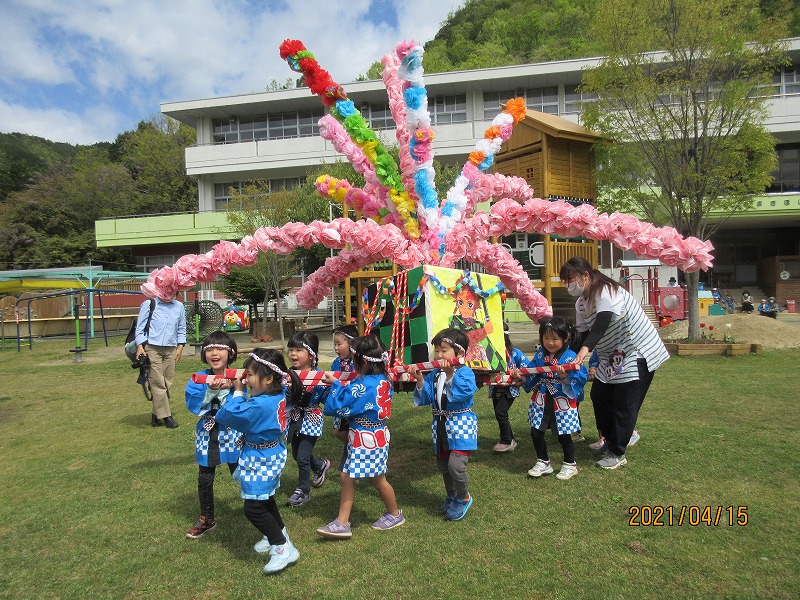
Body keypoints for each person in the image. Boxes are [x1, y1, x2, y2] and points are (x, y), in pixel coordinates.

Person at [560, 256, 670, 470]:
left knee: (624, 402)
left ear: (585, 276)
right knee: (599, 395)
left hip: (637, 351)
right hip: (612, 355)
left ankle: (618, 451)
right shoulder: (581, 303)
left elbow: (602, 322)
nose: (567, 284)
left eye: (570, 278)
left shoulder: (607, 291)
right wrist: (566, 358)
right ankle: (611, 439)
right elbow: (581, 334)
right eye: (565, 280)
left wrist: (585, 350)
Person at [214, 349, 302, 575]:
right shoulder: (276, 394)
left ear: (269, 378)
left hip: (261, 459)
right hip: (269, 453)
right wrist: (244, 388)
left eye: (250, 375)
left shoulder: (260, 405)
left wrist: (237, 392)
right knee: (265, 499)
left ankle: (282, 547)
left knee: (253, 508)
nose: (245, 379)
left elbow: (226, 415)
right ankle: (279, 535)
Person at [317, 335, 404, 538]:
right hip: (374, 434)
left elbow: (342, 403)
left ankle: (347, 522)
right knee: (365, 477)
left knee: (366, 478)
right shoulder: (383, 380)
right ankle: (348, 520)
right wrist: (339, 383)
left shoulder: (364, 385)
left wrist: (335, 384)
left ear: (363, 362)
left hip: (366, 436)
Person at [408, 328, 478, 521]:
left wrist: (450, 375)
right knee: (443, 464)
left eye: (444, 350)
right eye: (437, 350)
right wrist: (420, 379)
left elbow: (463, 393)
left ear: (459, 352)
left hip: (461, 424)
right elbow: (427, 397)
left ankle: (463, 497)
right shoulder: (435, 374)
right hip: (440, 425)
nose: (439, 355)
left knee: (456, 465)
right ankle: (452, 495)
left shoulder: (465, 372)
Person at [513, 317, 588, 481]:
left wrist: (564, 377)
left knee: (564, 433)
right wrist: (522, 376)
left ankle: (570, 464)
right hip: (542, 398)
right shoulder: (540, 354)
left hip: (561, 400)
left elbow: (580, 378)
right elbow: (532, 371)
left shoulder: (571, 357)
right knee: (536, 431)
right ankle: (543, 461)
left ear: (566, 337)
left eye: (555, 338)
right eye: (546, 338)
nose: (550, 342)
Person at [185, 331, 240, 539]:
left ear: (230, 353)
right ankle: (207, 517)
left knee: (240, 472)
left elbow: (241, 404)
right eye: (209, 349)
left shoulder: (239, 376)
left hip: (233, 432)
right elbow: (193, 401)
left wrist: (234, 387)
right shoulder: (199, 378)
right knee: (205, 476)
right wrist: (210, 390)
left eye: (219, 349)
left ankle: (259, 507)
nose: (214, 353)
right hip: (208, 433)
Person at [285, 332, 331, 507]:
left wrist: (333, 388)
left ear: (311, 355)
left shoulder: (320, 375)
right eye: (291, 349)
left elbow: (327, 398)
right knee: (297, 455)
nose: (293, 354)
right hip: (294, 417)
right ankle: (319, 465)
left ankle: (303, 490)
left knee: (302, 457)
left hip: (312, 419)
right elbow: (284, 398)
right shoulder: (287, 374)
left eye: (298, 350)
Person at [134, 295, 187, 428]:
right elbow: (140, 328)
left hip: (171, 348)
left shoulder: (179, 306)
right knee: (157, 382)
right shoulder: (149, 304)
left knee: (167, 381)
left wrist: (180, 347)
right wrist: (140, 346)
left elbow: (181, 328)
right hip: (152, 347)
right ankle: (167, 417)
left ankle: (155, 415)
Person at [488, 332, 528, 453]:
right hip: (495, 387)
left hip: (510, 388)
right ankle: (511, 439)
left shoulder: (515, 353)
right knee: (499, 412)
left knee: (500, 411)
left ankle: (506, 440)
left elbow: (527, 367)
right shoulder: (488, 352)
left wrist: (520, 377)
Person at [330, 324, 359, 469]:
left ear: (352, 344)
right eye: (334, 344)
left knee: (348, 430)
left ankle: (350, 458)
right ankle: (354, 448)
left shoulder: (359, 362)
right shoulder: (337, 363)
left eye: (339, 344)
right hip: (342, 402)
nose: (336, 348)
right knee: (338, 431)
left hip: (356, 402)